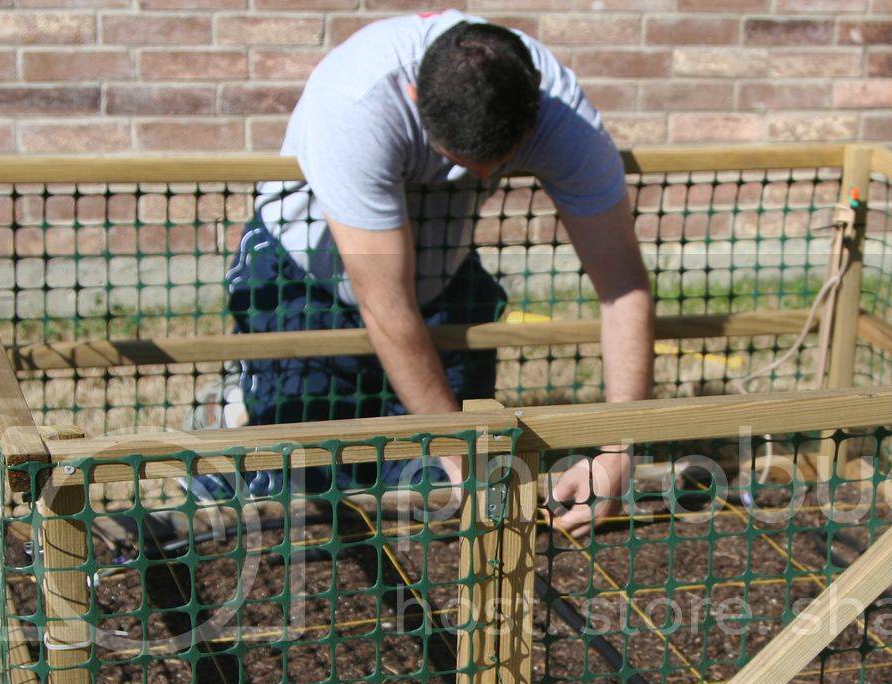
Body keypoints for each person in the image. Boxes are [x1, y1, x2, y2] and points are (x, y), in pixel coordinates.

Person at [218, 11, 654, 538]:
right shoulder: (358, 103)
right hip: (308, 279)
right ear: (415, 98)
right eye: (461, 162)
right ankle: (237, 429)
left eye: (496, 165)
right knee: (308, 497)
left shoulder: (562, 114)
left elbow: (623, 287)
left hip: (440, 280)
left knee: (437, 500)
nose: (480, 179)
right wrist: (461, 452)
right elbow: (387, 307)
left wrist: (618, 450)